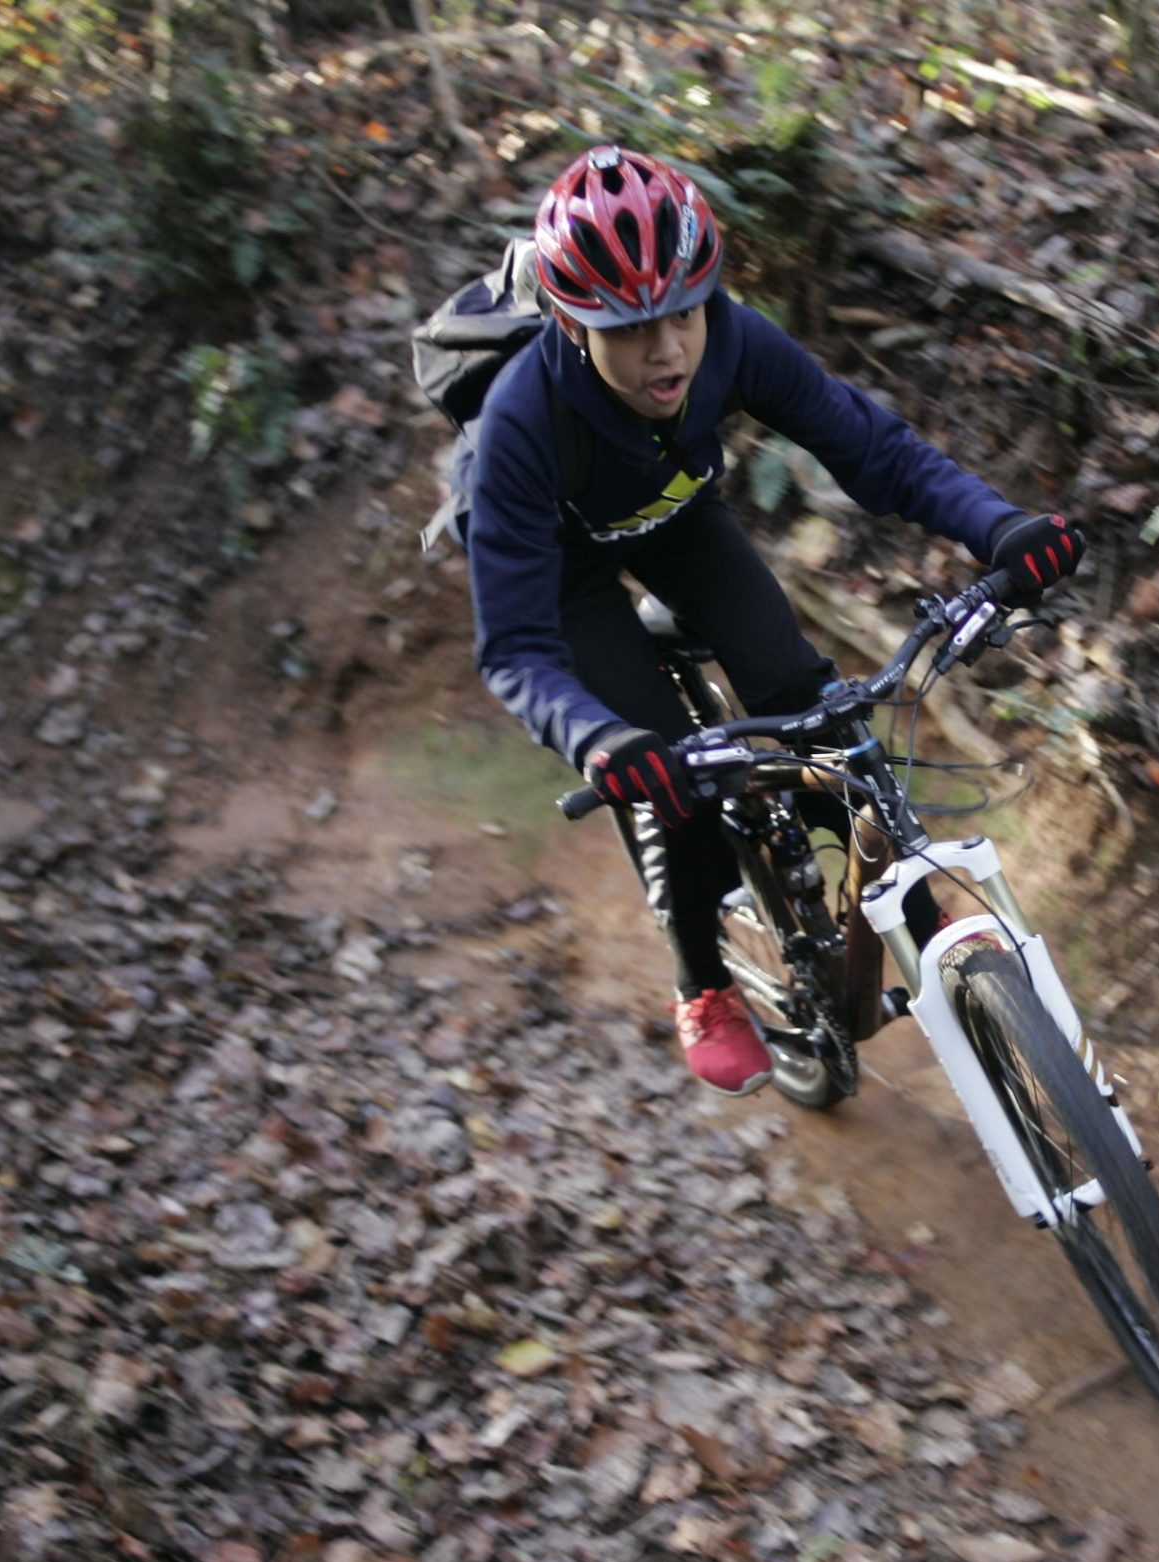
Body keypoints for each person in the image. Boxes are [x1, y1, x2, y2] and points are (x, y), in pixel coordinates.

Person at [463, 144, 1085, 1096]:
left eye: (679, 314)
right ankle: (704, 982)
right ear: (569, 319)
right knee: (665, 774)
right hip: (562, 574)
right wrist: (595, 738)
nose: (665, 349)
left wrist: (997, 526)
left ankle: (915, 922)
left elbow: (876, 450)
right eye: (628, 329)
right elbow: (514, 645)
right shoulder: (520, 419)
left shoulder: (736, 338)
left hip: (673, 514)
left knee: (812, 703)